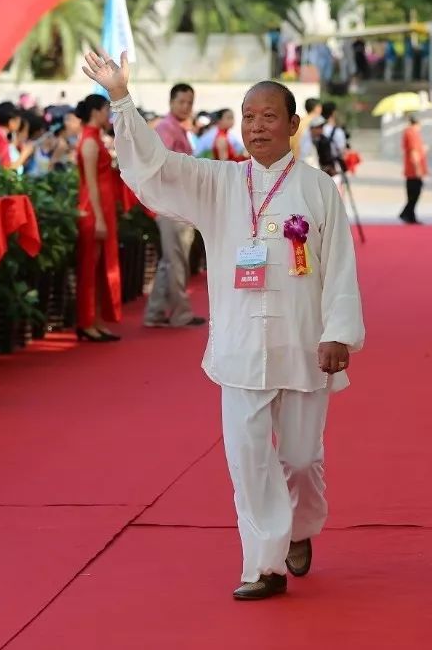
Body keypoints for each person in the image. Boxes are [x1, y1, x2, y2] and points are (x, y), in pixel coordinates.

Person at [83, 48, 365, 602]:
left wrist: (339, 333)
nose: (256, 126)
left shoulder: (318, 189)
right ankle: (265, 563)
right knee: (247, 457)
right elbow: (156, 166)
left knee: (302, 459)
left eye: (268, 116)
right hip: (239, 347)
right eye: (248, 116)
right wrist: (121, 97)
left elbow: (341, 269)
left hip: (304, 343)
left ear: (292, 124)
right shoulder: (219, 183)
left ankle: (301, 528)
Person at [145, 83, 207, 329]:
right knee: (175, 259)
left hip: (175, 203)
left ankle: (155, 312)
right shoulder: (166, 128)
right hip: (172, 204)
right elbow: (162, 165)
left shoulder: (176, 129)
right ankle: (180, 313)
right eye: (182, 102)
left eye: (189, 102)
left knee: (170, 260)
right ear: (171, 102)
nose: (186, 107)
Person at [75, 93, 122, 343]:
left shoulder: (94, 140)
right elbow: (90, 184)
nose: (109, 116)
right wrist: (100, 219)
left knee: (99, 266)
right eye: (106, 111)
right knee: (89, 269)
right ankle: (86, 321)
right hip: (94, 211)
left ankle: (95, 319)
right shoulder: (89, 143)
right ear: (95, 112)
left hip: (101, 209)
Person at [400, 114, 428, 224]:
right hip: (413, 169)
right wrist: (418, 169)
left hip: (410, 169)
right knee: (415, 192)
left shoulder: (408, 132)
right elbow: (413, 151)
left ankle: (410, 215)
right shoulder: (412, 133)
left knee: (412, 193)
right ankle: (406, 213)